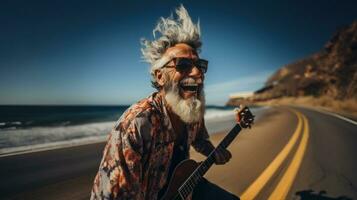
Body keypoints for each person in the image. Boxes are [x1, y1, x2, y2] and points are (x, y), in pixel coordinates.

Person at [90, 5, 239, 200]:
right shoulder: (135, 125)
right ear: (160, 77)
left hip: (182, 189)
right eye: (183, 65)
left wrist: (214, 152)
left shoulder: (191, 110)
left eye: (200, 66)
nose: (197, 74)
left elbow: (199, 140)